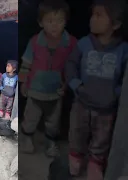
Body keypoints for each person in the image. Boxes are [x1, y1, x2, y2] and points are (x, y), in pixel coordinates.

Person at [65, 0, 128, 179]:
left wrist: (115, 94)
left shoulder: (123, 50)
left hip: (106, 108)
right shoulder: (84, 44)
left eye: (99, 15)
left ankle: (95, 164)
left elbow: (125, 78)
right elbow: (71, 65)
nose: (93, 19)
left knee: (102, 139)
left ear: (115, 24)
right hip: (82, 102)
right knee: (77, 133)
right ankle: (75, 163)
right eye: (93, 14)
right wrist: (77, 86)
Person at [19, 0, 77, 157]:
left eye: (60, 21)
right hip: (34, 90)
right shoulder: (35, 42)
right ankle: (27, 139)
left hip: (56, 91)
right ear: (40, 22)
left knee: (53, 122)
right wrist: (23, 83)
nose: (55, 25)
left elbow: (73, 67)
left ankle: (51, 144)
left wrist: (67, 84)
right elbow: (26, 64)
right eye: (50, 21)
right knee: (30, 119)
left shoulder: (70, 43)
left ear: (66, 21)